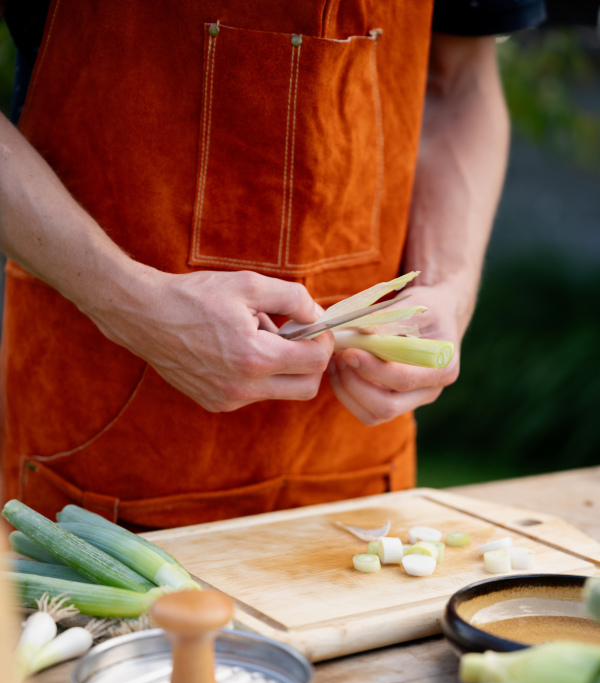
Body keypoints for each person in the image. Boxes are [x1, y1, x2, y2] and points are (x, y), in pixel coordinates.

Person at [0, 1, 545, 529]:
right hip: (96, 457)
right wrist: (131, 301)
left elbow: (462, 80)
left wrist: (450, 286)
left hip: (355, 459)